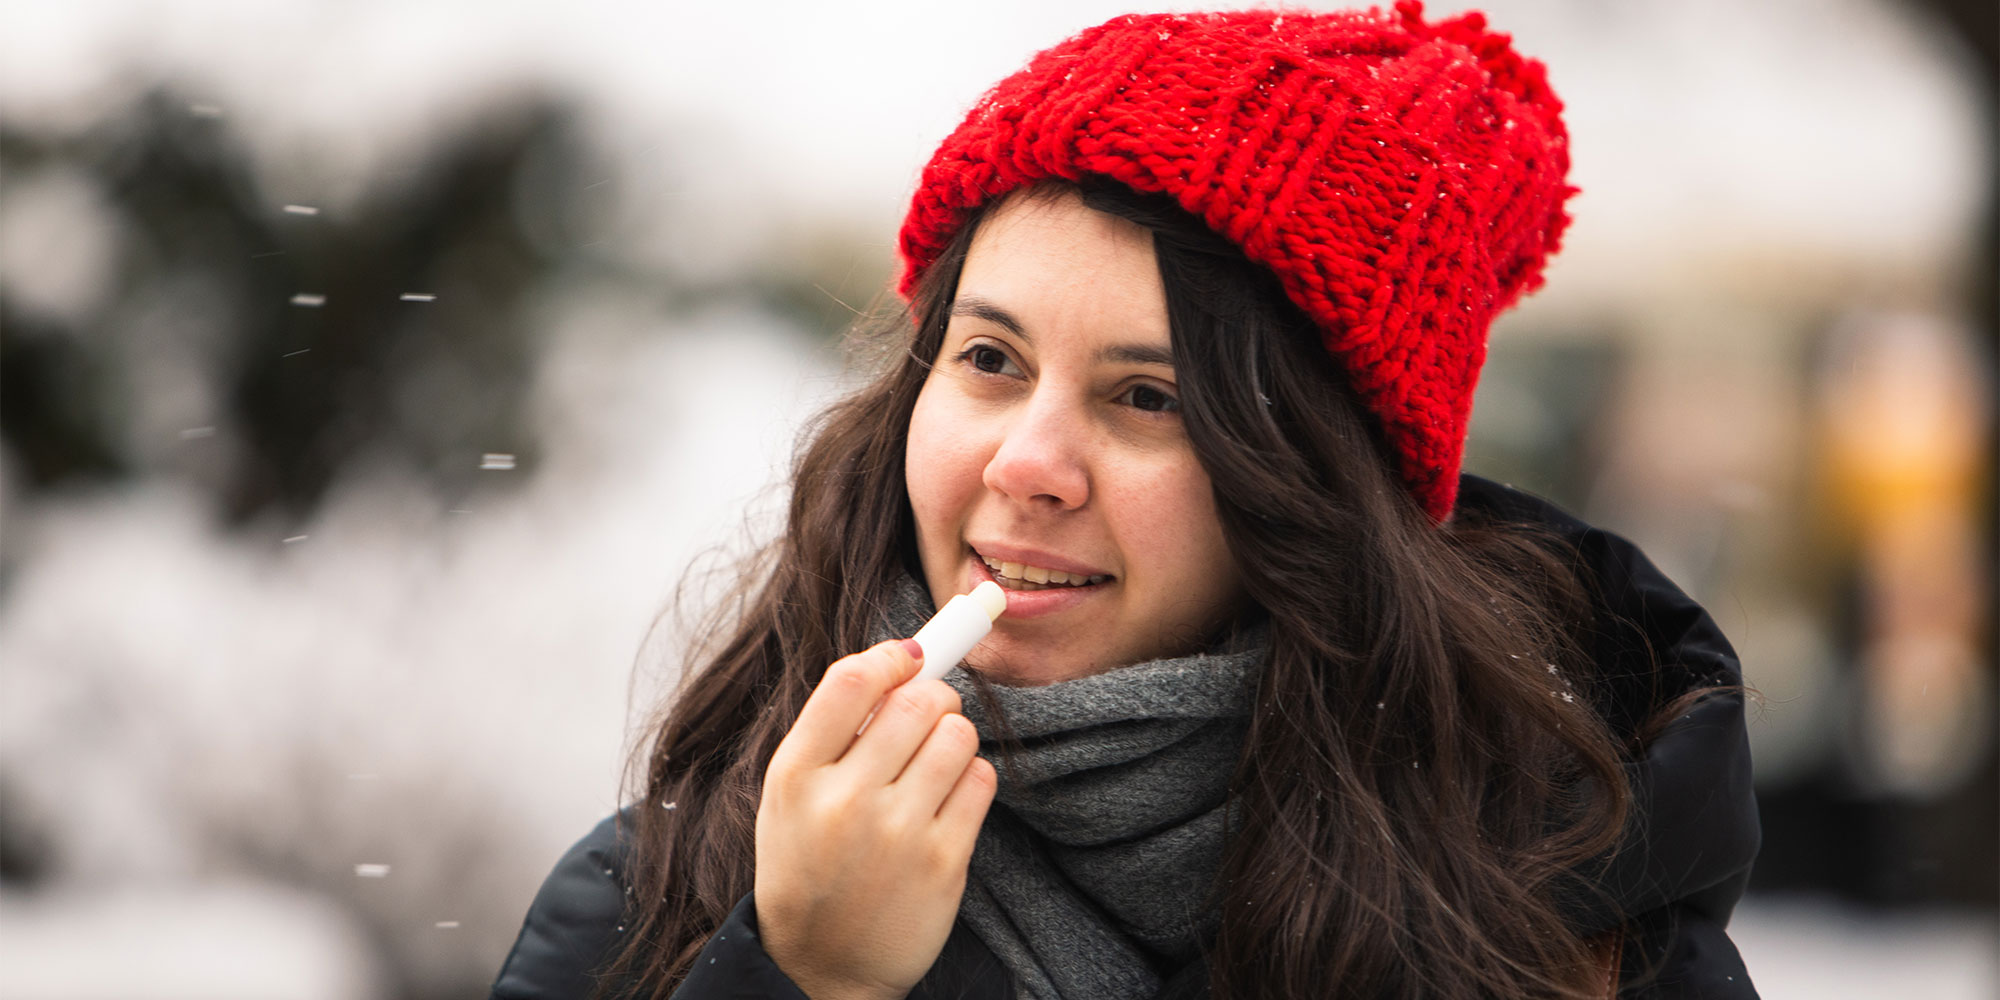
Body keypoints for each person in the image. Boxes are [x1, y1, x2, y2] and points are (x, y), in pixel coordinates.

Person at [491, 5, 1759, 999]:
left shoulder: (1562, 933)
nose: (1028, 463)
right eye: (988, 360)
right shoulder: (669, 888)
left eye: (1147, 397)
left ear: (1314, 492)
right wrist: (793, 974)